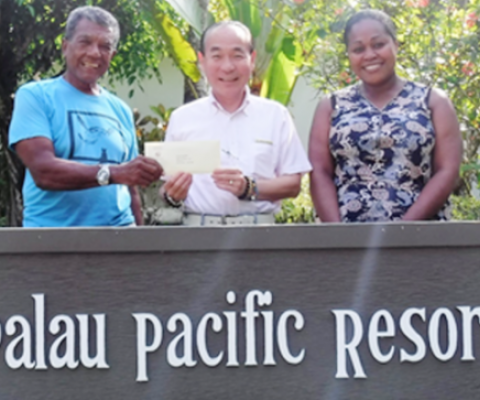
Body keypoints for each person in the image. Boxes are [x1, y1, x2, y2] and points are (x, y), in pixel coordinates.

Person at [8, 6, 163, 227]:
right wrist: (113, 173)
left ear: (112, 55)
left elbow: (130, 189)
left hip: (118, 235)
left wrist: (140, 239)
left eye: (105, 46)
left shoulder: (120, 109)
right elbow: (43, 171)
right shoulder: (36, 96)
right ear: (65, 46)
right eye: (85, 42)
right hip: (53, 237)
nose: (94, 53)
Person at [308, 9, 462, 223]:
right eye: (358, 49)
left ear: (395, 45)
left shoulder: (433, 101)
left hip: (422, 233)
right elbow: (319, 172)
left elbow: (447, 171)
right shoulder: (331, 105)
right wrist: (338, 234)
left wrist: (403, 230)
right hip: (347, 233)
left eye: (378, 44)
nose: (369, 55)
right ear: (349, 55)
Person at [162, 21, 311, 226]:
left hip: (260, 233)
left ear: (252, 59)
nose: (227, 66)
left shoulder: (276, 116)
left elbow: (293, 185)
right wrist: (172, 195)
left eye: (237, 55)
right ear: (202, 61)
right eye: (217, 56)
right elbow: (166, 188)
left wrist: (249, 188)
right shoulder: (182, 118)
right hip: (198, 232)